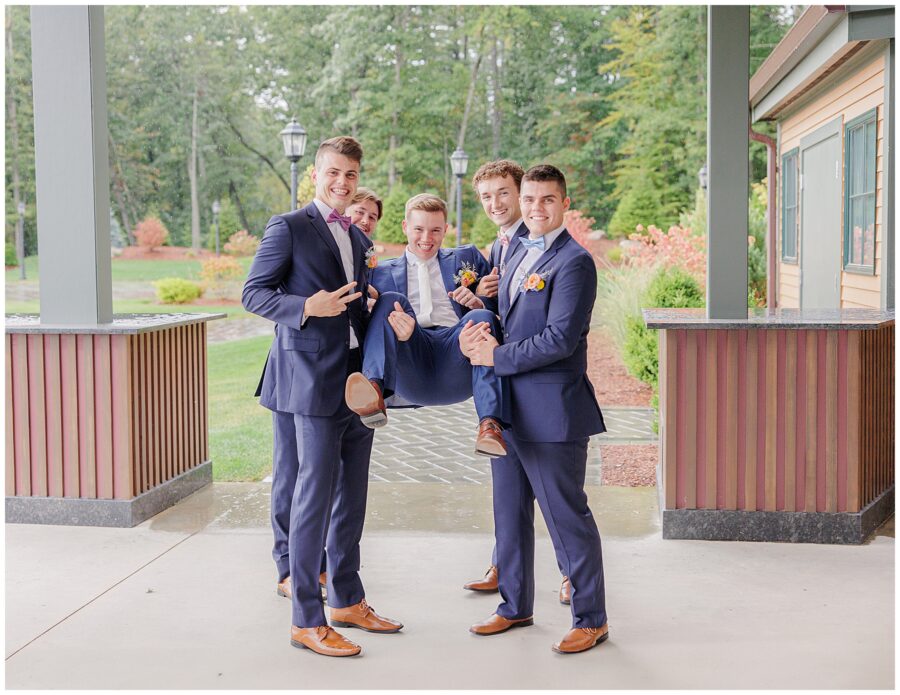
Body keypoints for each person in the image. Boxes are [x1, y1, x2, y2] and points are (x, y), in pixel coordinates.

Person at [242, 135, 402, 658]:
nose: (342, 182)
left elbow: (353, 308)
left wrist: (375, 306)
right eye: (333, 172)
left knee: (352, 493)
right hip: (309, 383)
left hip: (356, 384)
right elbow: (253, 293)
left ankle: (347, 599)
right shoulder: (288, 227)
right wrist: (306, 306)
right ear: (316, 173)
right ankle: (306, 620)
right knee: (312, 495)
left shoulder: (356, 239)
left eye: (351, 175)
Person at [460, 164, 609, 654]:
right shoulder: (518, 250)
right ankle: (514, 606)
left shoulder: (575, 262)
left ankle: (591, 618)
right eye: (529, 200)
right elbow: (510, 321)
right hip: (509, 412)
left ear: (564, 203)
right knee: (509, 514)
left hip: (552, 412)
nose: (535, 209)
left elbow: (561, 340)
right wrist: (478, 330)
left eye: (547, 200)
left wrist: (495, 357)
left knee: (566, 518)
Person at [462, 160, 571, 605]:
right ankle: (506, 564)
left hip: (536, 378)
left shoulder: (540, 242)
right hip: (504, 379)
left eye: (503, 193)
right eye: (486, 197)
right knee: (507, 490)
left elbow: (550, 326)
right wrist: (479, 299)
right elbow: (505, 310)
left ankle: (571, 574)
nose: (496, 204)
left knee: (554, 495)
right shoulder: (498, 246)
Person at [343, 193, 507, 457]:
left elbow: (501, 307)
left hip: (458, 355)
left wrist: (479, 302)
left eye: (435, 230)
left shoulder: (466, 258)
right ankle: (373, 389)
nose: (426, 238)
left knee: (480, 319)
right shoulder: (379, 273)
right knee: (391, 300)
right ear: (405, 227)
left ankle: (490, 425)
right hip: (411, 357)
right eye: (418, 229)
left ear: (445, 230)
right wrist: (384, 320)